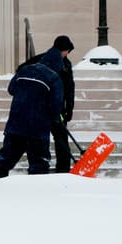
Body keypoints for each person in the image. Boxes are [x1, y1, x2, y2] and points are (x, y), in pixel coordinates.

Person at [0, 41, 66, 179]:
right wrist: (56, 118)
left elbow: (11, 89)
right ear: (58, 64)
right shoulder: (54, 78)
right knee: (39, 164)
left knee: (5, 158)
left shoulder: (25, 70)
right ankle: (36, 194)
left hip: (16, 125)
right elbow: (55, 105)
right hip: (38, 129)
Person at [50, 35, 76, 172]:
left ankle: (63, 168)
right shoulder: (46, 62)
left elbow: (69, 87)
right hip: (46, 107)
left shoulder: (66, 63)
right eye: (66, 50)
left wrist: (69, 108)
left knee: (61, 137)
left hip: (59, 107)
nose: (67, 53)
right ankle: (38, 166)